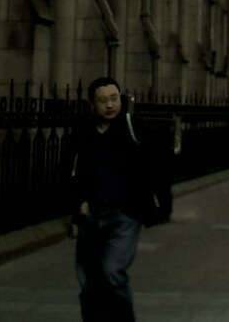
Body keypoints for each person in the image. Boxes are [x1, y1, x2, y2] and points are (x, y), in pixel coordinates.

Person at [65, 77, 172, 322]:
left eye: (114, 99)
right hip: (91, 215)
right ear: (93, 104)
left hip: (125, 214)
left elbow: (159, 164)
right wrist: (78, 200)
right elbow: (70, 170)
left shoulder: (135, 127)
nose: (110, 105)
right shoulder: (83, 132)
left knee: (113, 271)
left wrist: (159, 202)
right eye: (103, 100)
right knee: (88, 279)